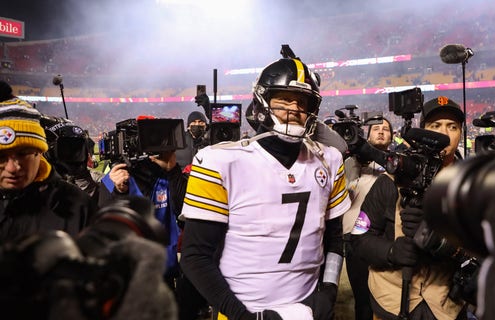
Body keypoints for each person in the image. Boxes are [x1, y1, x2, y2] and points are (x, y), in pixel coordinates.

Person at [180, 55, 351, 320]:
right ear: (262, 100)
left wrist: (328, 290)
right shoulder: (220, 161)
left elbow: (334, 240)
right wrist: (241, 315)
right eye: (283, 99)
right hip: (241, 307)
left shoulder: (329, 160)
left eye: (302, 102)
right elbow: (195, 256)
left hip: (306, 307)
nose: (294, 109)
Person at [350, 96, 468, 320]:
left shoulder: (472, 186)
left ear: (461, 132)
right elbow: (359, 238)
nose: (444, 133)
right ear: (421, 131)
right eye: (435, 126)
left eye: (452, 126)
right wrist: (391, 252)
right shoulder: (389, 181)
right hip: (392, 303)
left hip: (446, 306)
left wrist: (442, 243)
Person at [98, 121, 187, 289]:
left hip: (163, 272)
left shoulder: (168, 176)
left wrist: (172, 168)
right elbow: (106, 224)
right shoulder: (114, 179)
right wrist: (119, 191)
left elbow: (184, 211)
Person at [0, 95, 97, 243]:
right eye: (2, 156)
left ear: (40, 153)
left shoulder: (78, 205)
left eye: (23, 153)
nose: (13, 167)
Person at [343, 117, 394, 320]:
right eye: (376, 129)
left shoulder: (398, 163)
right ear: (366, 134)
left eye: (386, 129)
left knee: (387, 300)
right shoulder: (350, 162)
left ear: (392, 136)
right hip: (355, 238)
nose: (381, 132)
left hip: (386, 239)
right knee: (363, 302)